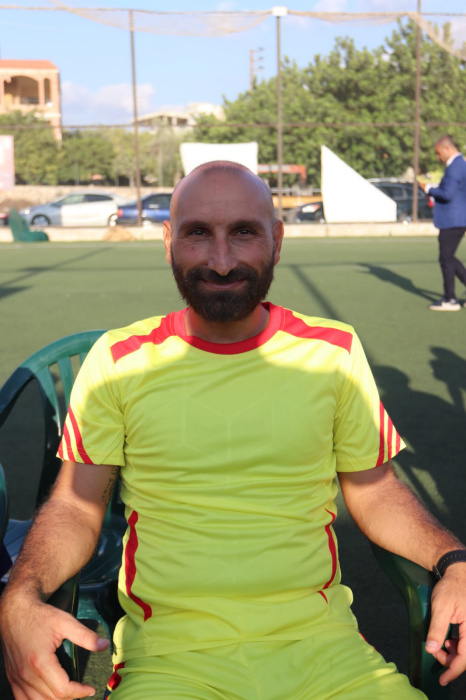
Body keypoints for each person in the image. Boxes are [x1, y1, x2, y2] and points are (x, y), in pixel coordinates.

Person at [1, 161, 466, 700]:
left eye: (243, 232)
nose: (221, 261)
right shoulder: (118, 361)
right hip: (172, 663)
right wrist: (19, 596)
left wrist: (454, 561)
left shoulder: (333, 351)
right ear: (169, 243)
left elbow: (376, 491)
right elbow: (75, 507)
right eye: (198, 233)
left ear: (277, 240)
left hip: (326, 652)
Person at [418, 134, 466, 311]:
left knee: (446, 258)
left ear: (447, 149)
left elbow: (447, 194)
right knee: (448, 257)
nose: (438, 157)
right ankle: (450, 297)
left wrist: (429, 188)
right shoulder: (460, 164)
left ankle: (450, 299)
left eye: (439, 153)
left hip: (453, 220)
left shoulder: (455, 166)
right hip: (456, 219)